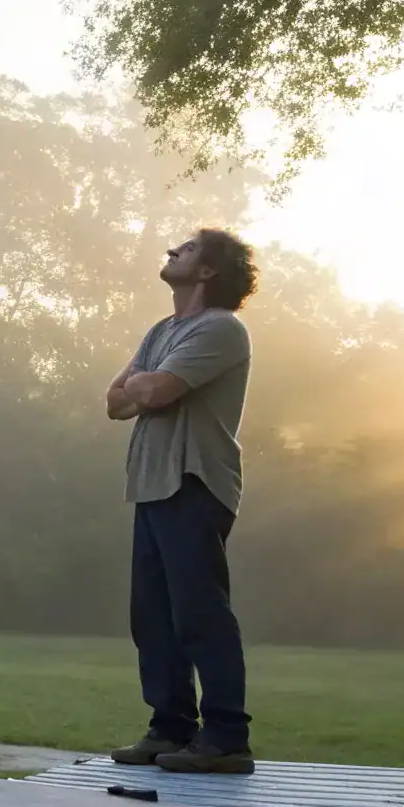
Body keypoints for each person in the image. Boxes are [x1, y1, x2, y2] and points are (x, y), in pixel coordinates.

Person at [104, 228, 258, 774]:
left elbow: (152, 392)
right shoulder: (161, 331)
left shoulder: (222, 329)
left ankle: (225, 737)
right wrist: (143, 385)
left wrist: (143, 384)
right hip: (150, 486)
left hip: (194, 484)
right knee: (152, 618)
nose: (174, 250)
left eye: (188, 248)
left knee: (198, 612)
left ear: (209, 271)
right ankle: (169, 729)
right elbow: (114, 401)